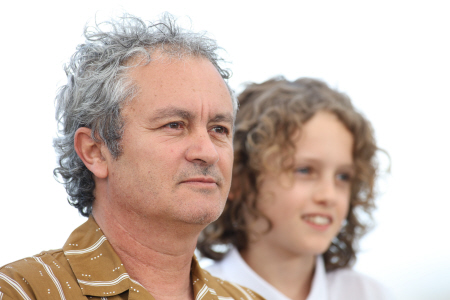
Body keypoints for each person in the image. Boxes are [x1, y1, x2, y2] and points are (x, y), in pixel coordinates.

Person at [0, 14, 264, 300]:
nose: (208, 151)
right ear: (95, 151)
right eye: (174, 125)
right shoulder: (23, 292)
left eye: (219, 129)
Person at [198, 77, 394, 300]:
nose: (328, 195)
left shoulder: (369, 294)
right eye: (304, 170)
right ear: (239, 179)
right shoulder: (198, 294)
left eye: (343, 176)